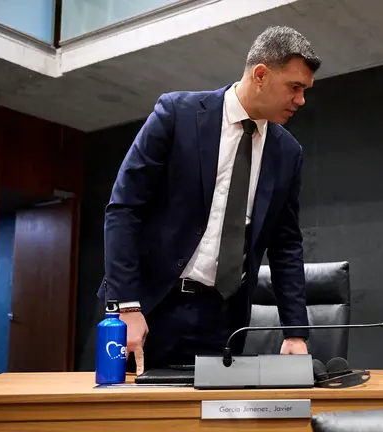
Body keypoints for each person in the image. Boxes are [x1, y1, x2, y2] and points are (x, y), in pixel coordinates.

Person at [97, 26, 321, 375]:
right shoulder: (176, 114)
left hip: (225, 319)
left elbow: (286, 244)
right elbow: (124, 209)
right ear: (260, 75)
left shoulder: (288, 152)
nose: (301, 100)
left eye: (305, 91)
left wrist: (295, 331)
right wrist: (127, 307)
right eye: (295, 87)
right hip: (151, 309)